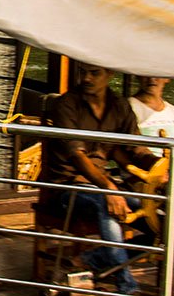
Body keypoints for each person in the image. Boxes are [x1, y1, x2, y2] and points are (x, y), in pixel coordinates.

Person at [41, 63, 161, 294]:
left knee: (161, 222)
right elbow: (77, 156)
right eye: (82, 72)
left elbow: (136, 149)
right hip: (65, 187)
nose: (86, 78)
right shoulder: (66, 104)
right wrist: (109, 188)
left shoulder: (120, 106)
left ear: (110, 74)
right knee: (107, 204)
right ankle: (126, 285)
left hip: (103, 186)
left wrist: (162, 167)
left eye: (94, 73)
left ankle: (93, 258)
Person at [130, 76, 174, 159]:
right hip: (145, 167)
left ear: (167, 78)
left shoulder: (173, 111)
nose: (152, 79)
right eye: (147, 74)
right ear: (138, 76)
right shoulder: (129, 107)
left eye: (157, 74)